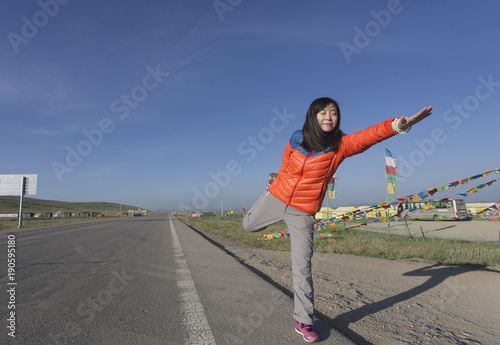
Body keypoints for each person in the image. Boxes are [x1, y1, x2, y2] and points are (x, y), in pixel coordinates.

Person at [242, 97, 432, 343]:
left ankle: (304, 320)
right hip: (277, 196)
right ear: (313, 116)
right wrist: (276, 183)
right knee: (247, 226)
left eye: (333, 113)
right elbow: (286, 164)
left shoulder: (340, 145)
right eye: (323, 113)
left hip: (302, 211)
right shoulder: (295, 138)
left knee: (302, 267)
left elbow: (367, 136)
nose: (329, 117)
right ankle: (268, 188)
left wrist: (397, 126)